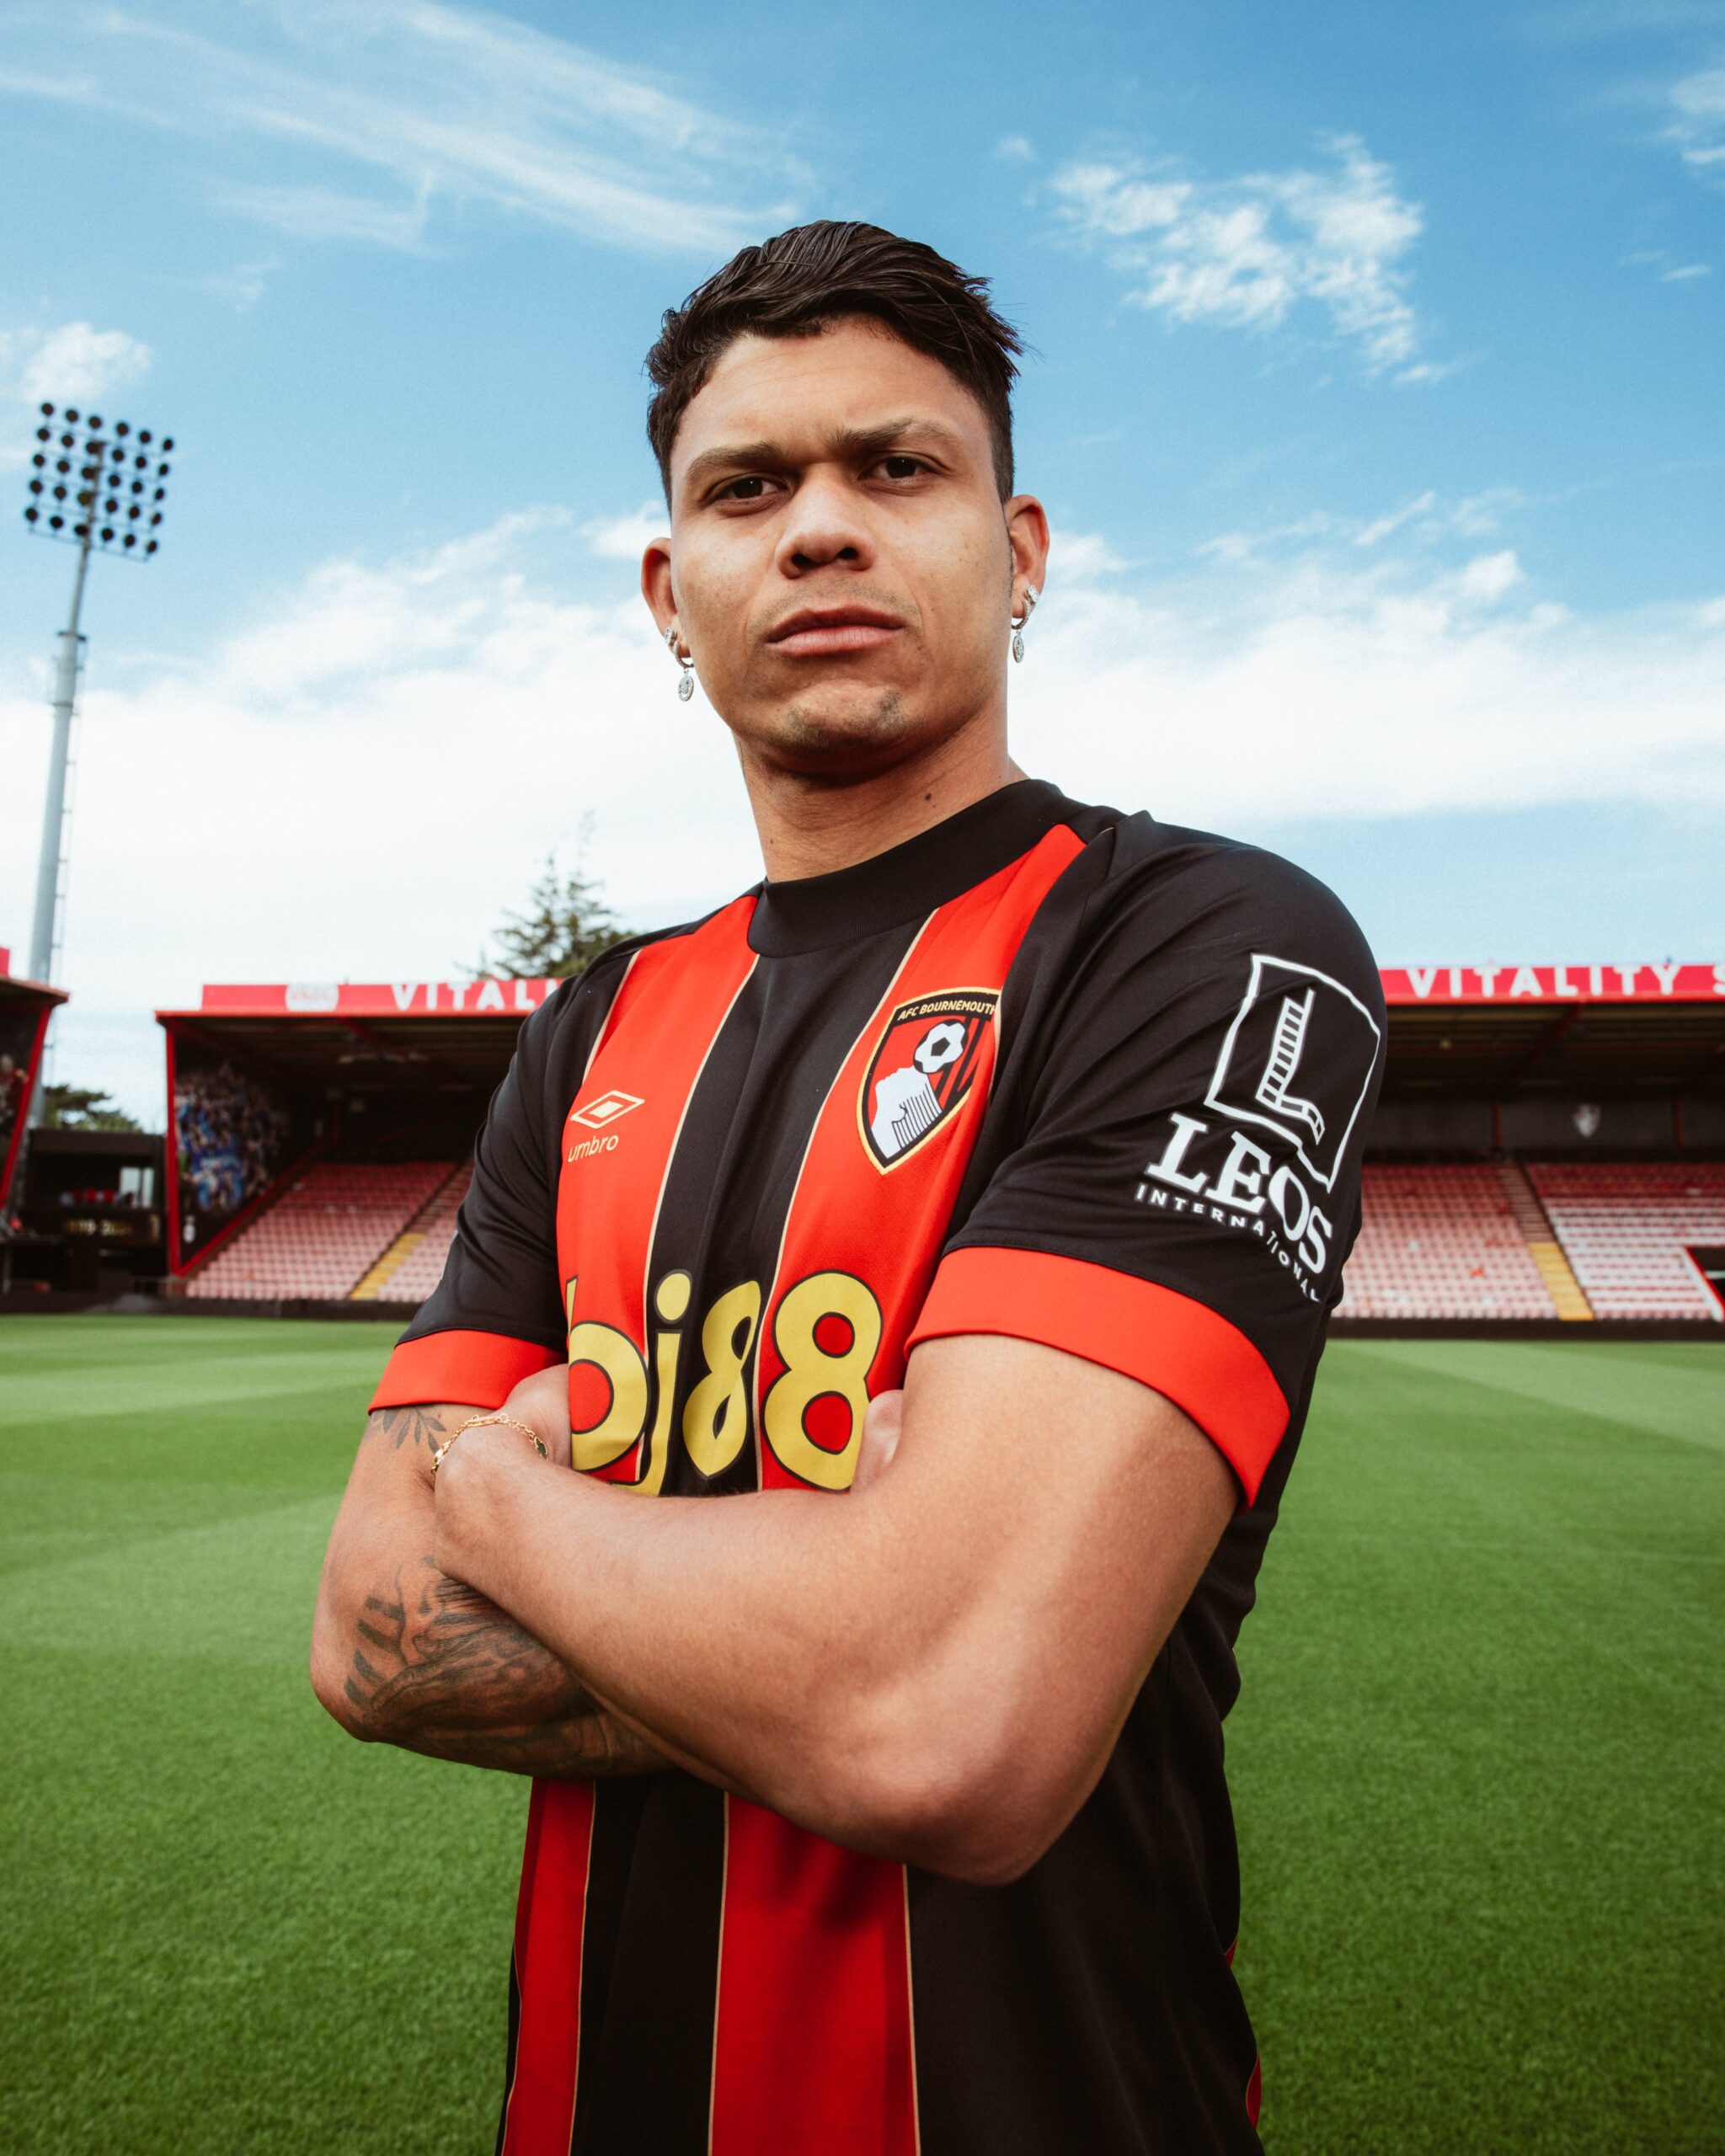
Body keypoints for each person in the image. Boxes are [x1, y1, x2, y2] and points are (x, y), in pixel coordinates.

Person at [312, 221, 1385, 2156]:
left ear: (1020, 546)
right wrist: (857, 1597)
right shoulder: (593, 1022)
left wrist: (493, 1485)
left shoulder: (1192, 938)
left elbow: (949, 1719)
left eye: (896, 467)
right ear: (669, 587)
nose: (818, 527)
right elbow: (369, 1634)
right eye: (749, 485)